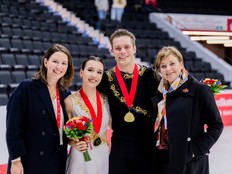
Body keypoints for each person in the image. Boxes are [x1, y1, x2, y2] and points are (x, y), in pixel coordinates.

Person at [151, 46, 224, 174]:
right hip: (162, 158)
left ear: (181, 63)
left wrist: (196, 150)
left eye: (172, 63)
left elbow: (216, 125)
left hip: (189, 160)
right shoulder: (159, 93)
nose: (168, 69)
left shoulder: (199, 89)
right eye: (163, 66)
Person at [6, 44, 75, 174]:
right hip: (30, 160)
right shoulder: (27, 88)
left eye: (64, 63)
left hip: (55, 160)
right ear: (46, 62)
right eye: (55, 61)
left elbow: (67, 129)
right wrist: (16, 161)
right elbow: (13, 128)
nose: (59, 67)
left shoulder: (67, 95)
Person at [97, 28, 159, 174]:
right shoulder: (105, 79)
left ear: (134, 49)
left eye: (126, 47)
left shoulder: (151, 75)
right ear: (112, 51)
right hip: (120, 145)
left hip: (148, 145)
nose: (122, 51)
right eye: (118, 48)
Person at [65, 56, 111, 174]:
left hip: (103, 155)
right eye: (90, 70)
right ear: (81, 72)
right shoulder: (70, 101)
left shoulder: (107, 100)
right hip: (81, 156)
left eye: (99, 72)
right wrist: (74, 143)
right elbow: (64, 133)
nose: (94, 75)